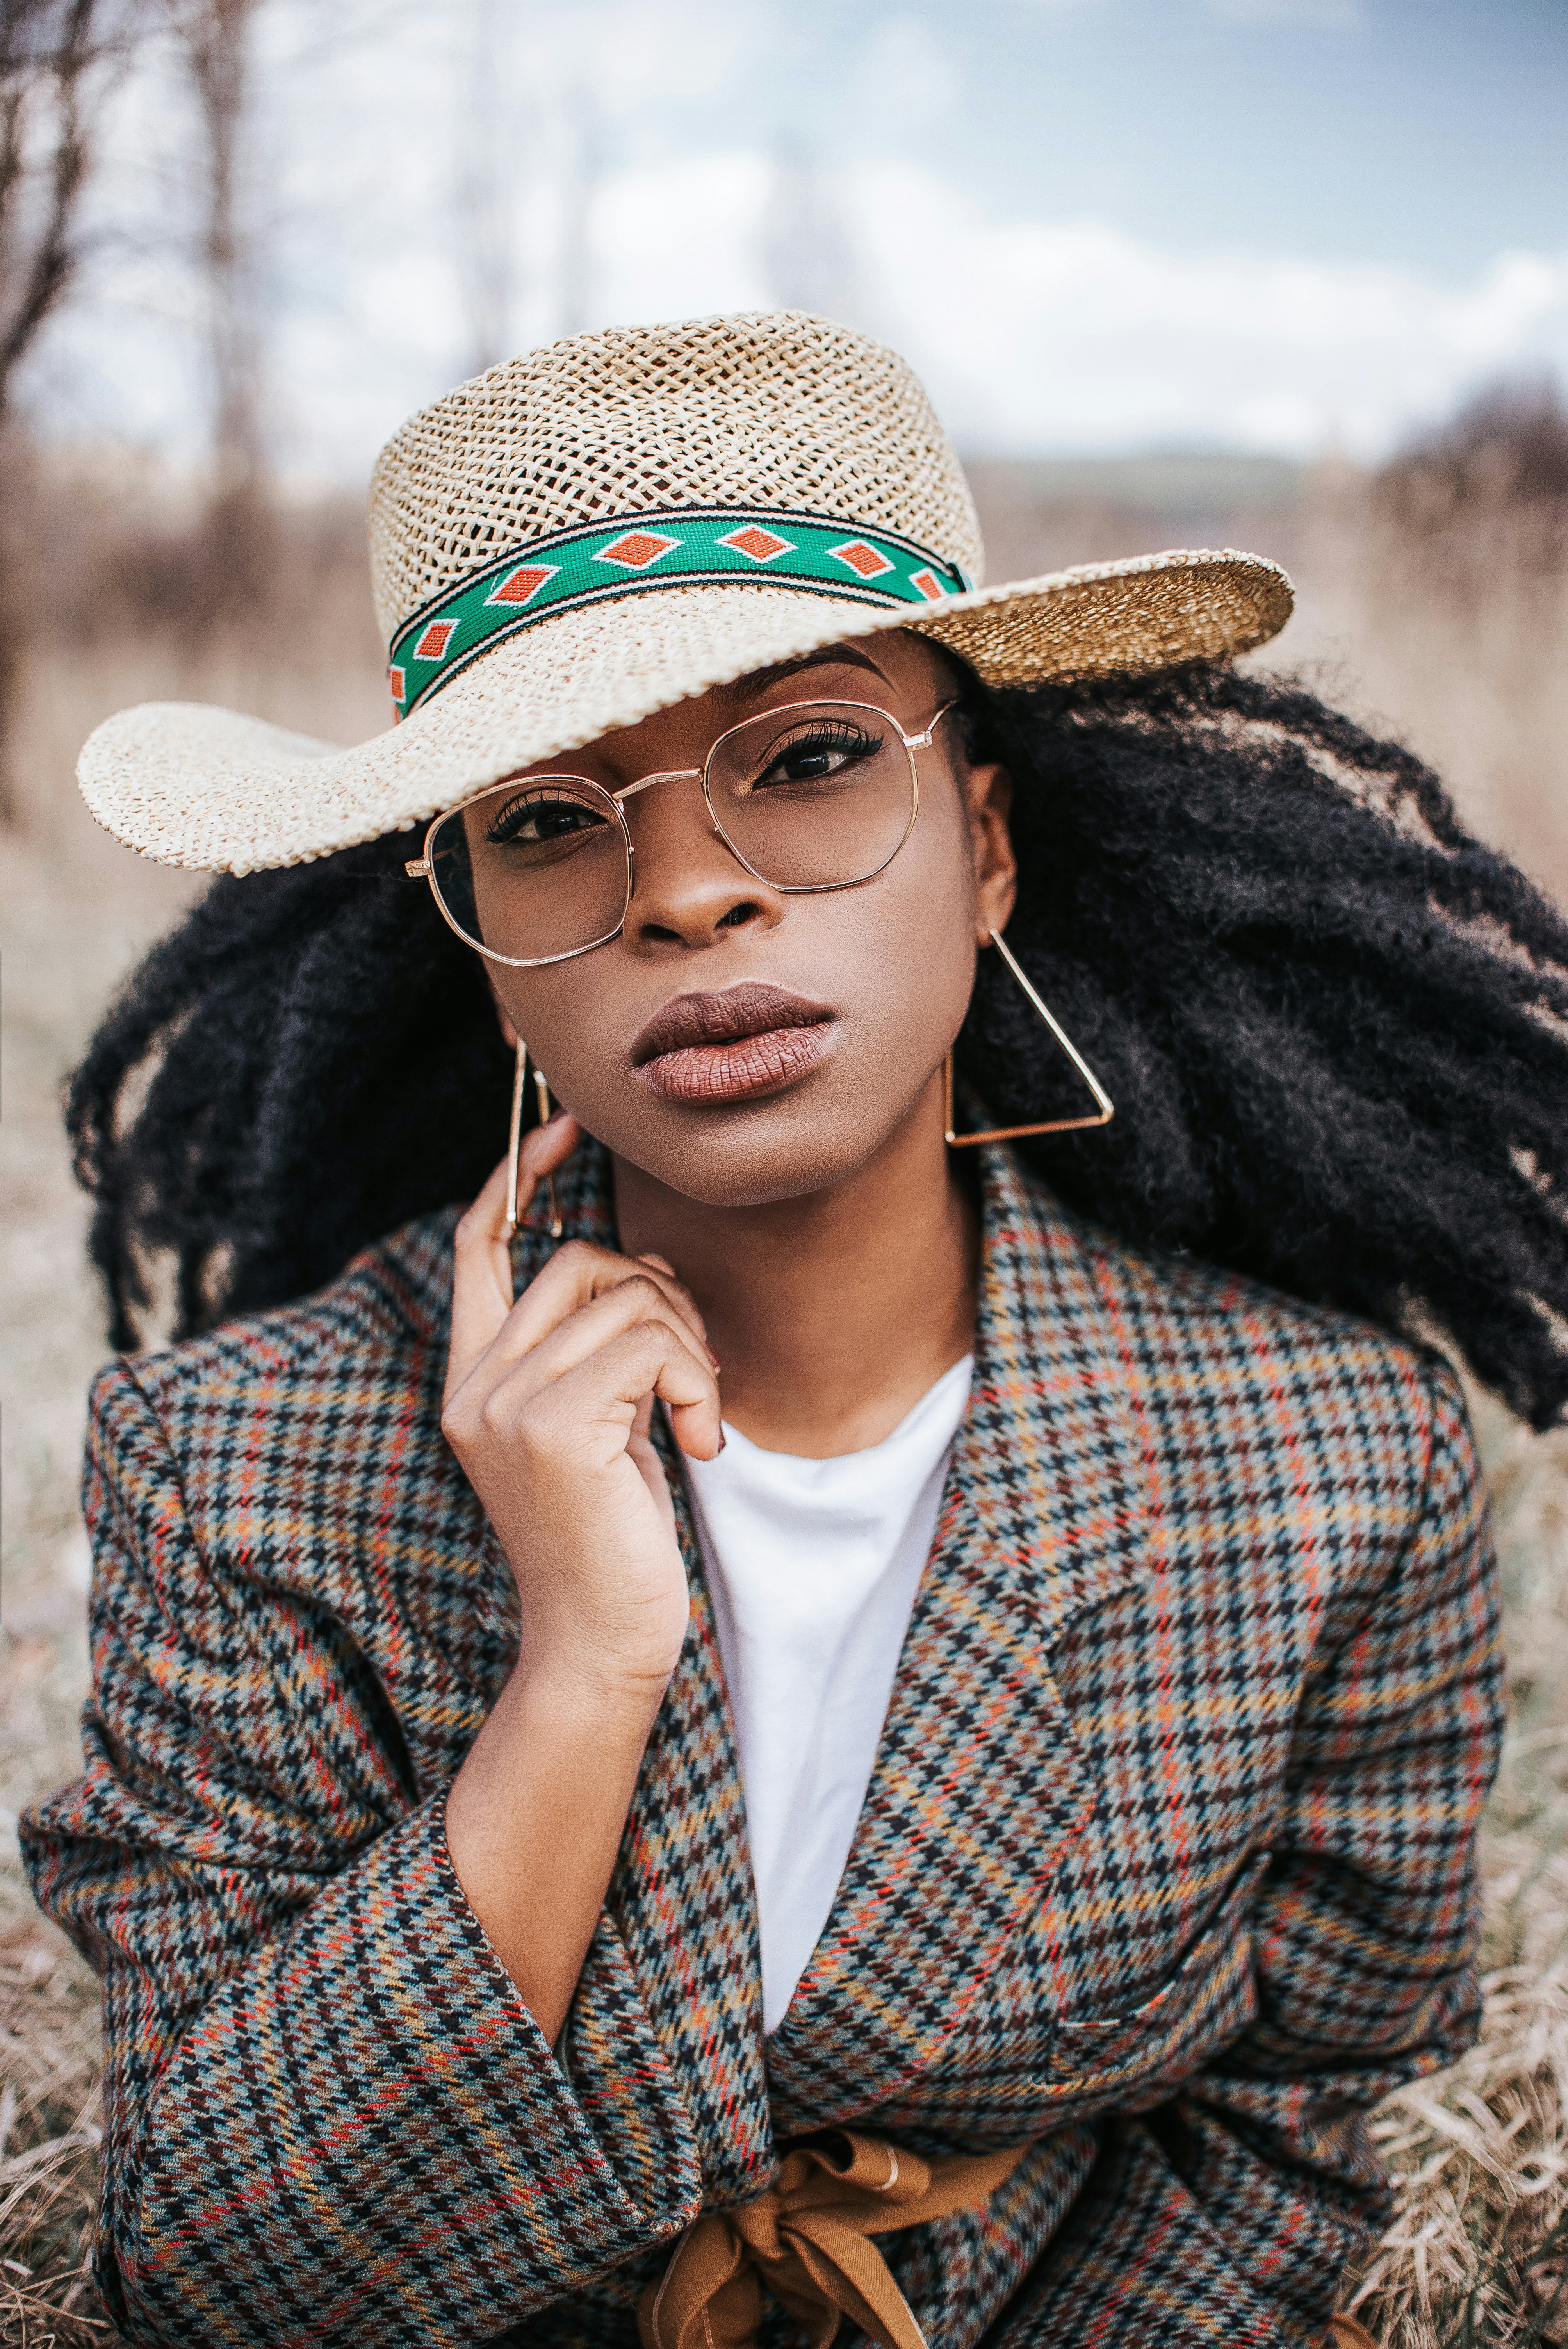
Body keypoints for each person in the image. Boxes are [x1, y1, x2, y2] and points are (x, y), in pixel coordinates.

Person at [28, 308, 1566, 2349]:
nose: (686, 891)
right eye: (548, 818)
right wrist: (583, 1672)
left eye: (817, 757)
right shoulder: (235, 1468)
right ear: (482, 947)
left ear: (986, 846)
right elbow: (211, 2276)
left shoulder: (1337, 1474)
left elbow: (1287, 2129)